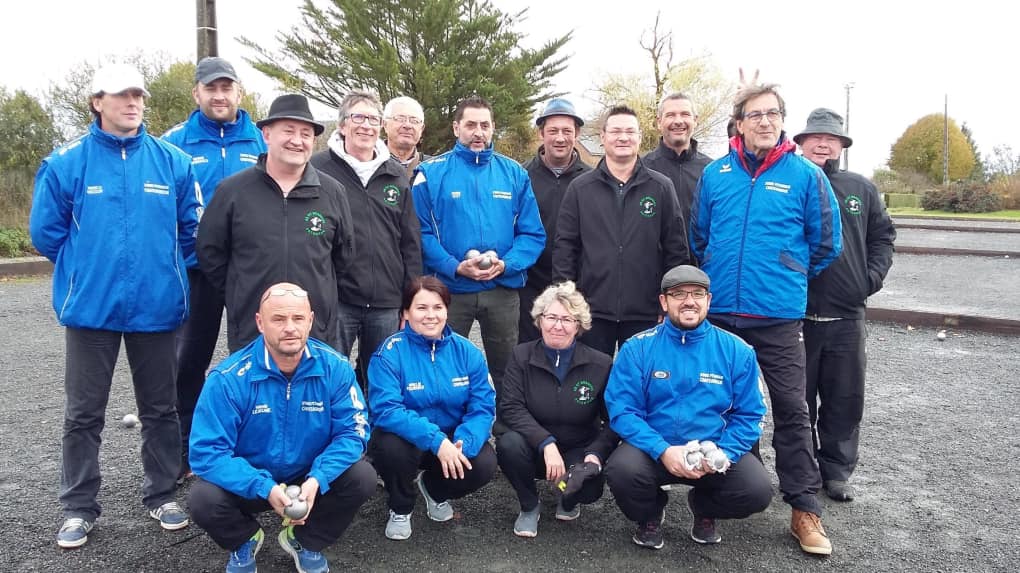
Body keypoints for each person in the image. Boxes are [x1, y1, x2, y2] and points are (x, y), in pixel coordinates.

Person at [29, 63, 202, 548]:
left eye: (138, 96)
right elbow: (47, 234)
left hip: (157, 308)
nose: (133, 103)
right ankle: (78, 507)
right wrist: (88, 270)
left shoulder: (173, 162)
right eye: (121, 96)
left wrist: (164, 273)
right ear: (96, 102)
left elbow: (192, 232)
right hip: (92, 310)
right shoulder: (66, 163)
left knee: (161, 408)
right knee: (83, 413)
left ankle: (162, 493)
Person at [690, 83, 842, 555]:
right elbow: (700, 238)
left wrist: (787, 271)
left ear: (782, 120)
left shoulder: (804, 176)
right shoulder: (715, 175)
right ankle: (727, 491)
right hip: (721, 317)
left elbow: (825, 243)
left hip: (776, 316)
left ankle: (804, 508)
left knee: (793, 412)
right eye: (755, 114)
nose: (765, 122)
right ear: (738, 123)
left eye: (772, 114)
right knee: (720, 406)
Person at [188, 283, 375, 573]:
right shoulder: (227, 378)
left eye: (298, 319)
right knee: (203, 499)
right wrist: (263, 486)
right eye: (278, 319)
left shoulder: (335, 368)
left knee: (362, 477)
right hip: (252, 481)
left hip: (307, 478)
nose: (290, 328)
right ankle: (244, 539)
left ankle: (304, 540)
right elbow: (206, 453)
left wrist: (317, 479)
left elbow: (354, 432)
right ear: (260, 323)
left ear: (311, 320)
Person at [603, 265, 771, 550]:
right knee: (621, 471)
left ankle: (704, 507)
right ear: (664, 302)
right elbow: (622, 410)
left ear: (708, 300)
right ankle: (650, 513)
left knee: (756, 491)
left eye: (697, 293)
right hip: (654, 450)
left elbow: (751, 414)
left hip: (712, 451)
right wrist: (662, 450)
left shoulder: (737, 350)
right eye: (678, 294)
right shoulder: (637, 348)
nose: (689, 301)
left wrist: (724, 453)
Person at [162, 56, 267, 481]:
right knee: (189, 363)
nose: (219, 96)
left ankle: (253, 443)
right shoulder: (173, 143)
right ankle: (185, 449)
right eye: (211, 88)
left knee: (256, 358)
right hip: (195, 272)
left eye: (227, 88)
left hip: (252, 272)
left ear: (240, 92)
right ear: (197, 93)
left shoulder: (261, 141)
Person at [411, 95, 545, 419]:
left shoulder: (514, 174)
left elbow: (533, 234)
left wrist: (506, 264)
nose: (478, 132)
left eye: (485, 125)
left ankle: (506, 430)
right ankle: (446, 433)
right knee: (442, 364)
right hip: (449, 291)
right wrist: (454, 266)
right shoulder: (429, 173)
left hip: (502, 290)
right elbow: (419, 233)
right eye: (470, 124)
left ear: (493, 128)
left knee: (505, 368)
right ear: (456, 127)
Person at [197, 94, 355, 352]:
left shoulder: (332, 192)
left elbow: (344, 257)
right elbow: (210, 253)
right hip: (251, 328)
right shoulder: (233, 191)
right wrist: (240, 292)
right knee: (254, 391)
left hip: (314, 330)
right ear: (267, 134)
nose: (297, 140)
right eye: (288, 131)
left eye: (305, 134)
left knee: (311, 392)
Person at [794, 108, 896, 502]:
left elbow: (882, 237)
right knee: (797, 402)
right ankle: (801, 469)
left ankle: (835, 471)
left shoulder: (861, 189)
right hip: (797, 317)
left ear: (841, 145)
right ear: (801, 143)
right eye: (816, 137)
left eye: (831, 138)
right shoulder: (791, 183)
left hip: (846, 316)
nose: (823, 143)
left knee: (844, 397)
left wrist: (868, 280)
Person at [367, 276, 497, 540]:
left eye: (438, 307)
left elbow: (483, 405)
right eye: (421, 308)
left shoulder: (467, 351)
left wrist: (464, 442)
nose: (431, 315)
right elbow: (386, 410)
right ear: (405, 312)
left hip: (452, 440)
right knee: (390, 447)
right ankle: (400, 507)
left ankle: (433, 489)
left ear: (447, 310)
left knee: (484, 462)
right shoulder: (389, 353)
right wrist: (437, 441)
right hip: (409, 441)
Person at [553, 105, 689, 356]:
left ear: (640, 137)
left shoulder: (661, 187)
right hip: (590, 312)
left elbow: (676, 249)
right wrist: (566, 300)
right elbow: (565, 249)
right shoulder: (580, 189)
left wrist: (670, 300)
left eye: (630, 131)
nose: (623, 137)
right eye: (616, 131)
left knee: (643, 387)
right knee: (591, 389)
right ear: (603, 137)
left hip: (646, 313)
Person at [311, 91, 422, 391]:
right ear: (343, 125)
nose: (366, 126)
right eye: (357, 117)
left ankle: (377, 438)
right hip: (338, 301)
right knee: (330, 378)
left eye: (373, 119)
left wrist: (410, 301)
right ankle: (336, 436)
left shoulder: (395, 174)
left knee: (382, 382)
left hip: (386, 302)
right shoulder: (317, 169)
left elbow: (410, 243)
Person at [497, 281, 617, 538]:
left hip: (577, 450)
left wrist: (594, 455)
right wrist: (546, 443)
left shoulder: (601, 363)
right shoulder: (521, 355)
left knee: (589, 487)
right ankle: (530, 505)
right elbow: (511, 407)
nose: (558, 325)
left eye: (567, 319)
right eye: (551, 317)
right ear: (540, 320)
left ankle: (568, 495)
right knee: (508, 445)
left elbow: (613, 420)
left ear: (579, 324)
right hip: (534, 449)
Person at [518, 98, 592, 343]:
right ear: (541, 133)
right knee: (530, 353)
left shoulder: (592, 181)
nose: (560, 138)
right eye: (553, 131)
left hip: (577, 286)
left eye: (567, 131)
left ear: (577, 134)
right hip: (530, 284)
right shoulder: (521, 176)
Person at [643, 92, 712, 235]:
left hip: (699, 257)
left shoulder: (711, 171)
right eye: (670, 115)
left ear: (695, 120)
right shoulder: (641, 169)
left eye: (685, 114)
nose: (678, 121)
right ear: (658, 122)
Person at [383, 95, 430, 178]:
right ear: (385, 125)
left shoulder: (433, 168)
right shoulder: (367, 164)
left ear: (421, 129)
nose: (407, 125)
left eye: (414, 121)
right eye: (400, 119)